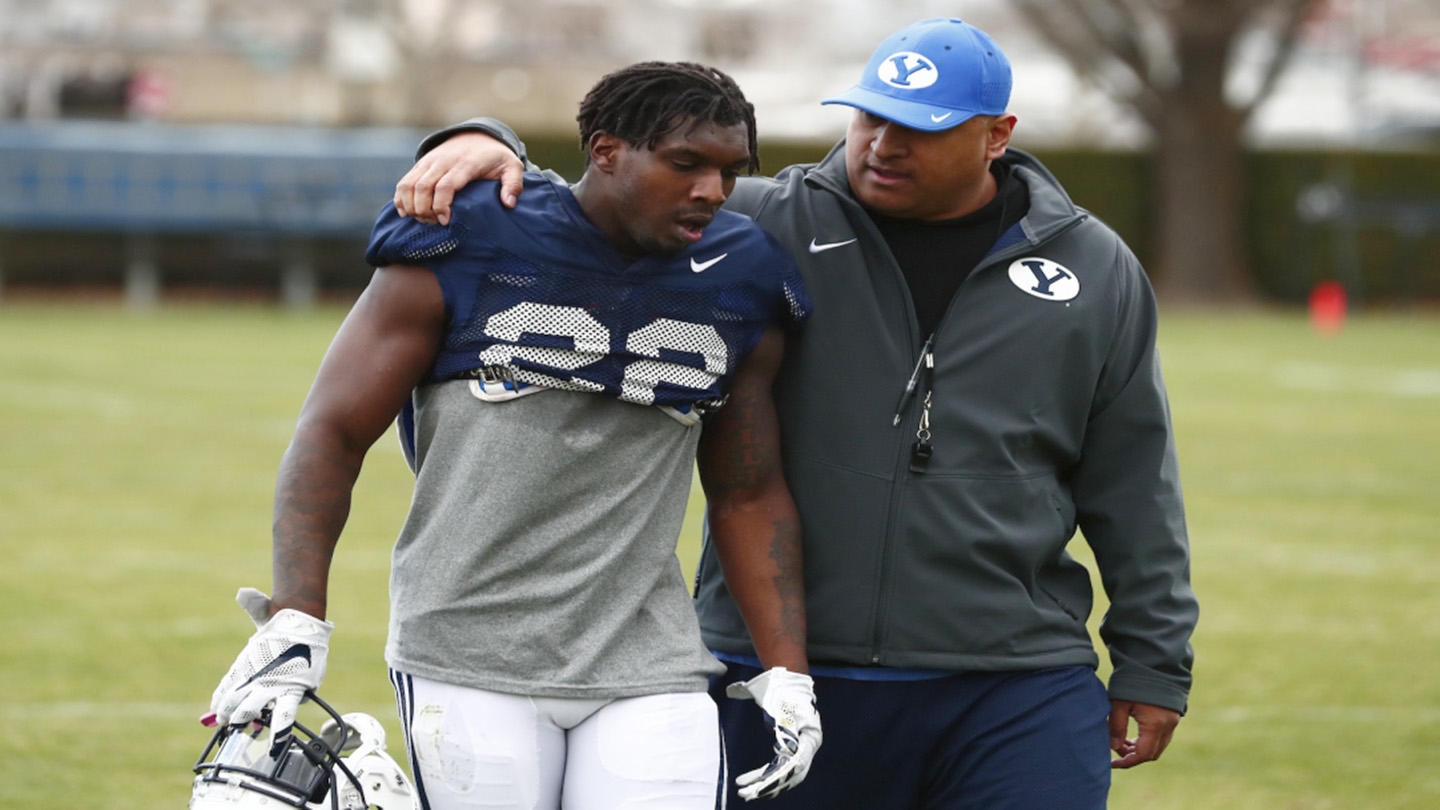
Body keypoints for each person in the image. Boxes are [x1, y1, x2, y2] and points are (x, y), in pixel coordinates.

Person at [396, 17, 1199, 810]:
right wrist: (484, 138)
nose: (883, 144)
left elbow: (1132, 476)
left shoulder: (1092, 269)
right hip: (781, 669)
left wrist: (1153, 660)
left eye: (921, 128)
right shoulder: (752, 226)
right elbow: (601, 197)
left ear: (997, 135)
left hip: (1015, 679)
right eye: (870, 116)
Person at [206, 61, 824, 810]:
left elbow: (746, 489)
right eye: (686, 163)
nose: (712, 191)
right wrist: (297, 615)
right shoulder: (472, 233)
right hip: (466, 644)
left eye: (730, 171)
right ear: (605, 152)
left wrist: (787, 671)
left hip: (646, 650)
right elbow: (333, 431)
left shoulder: (742, 273)